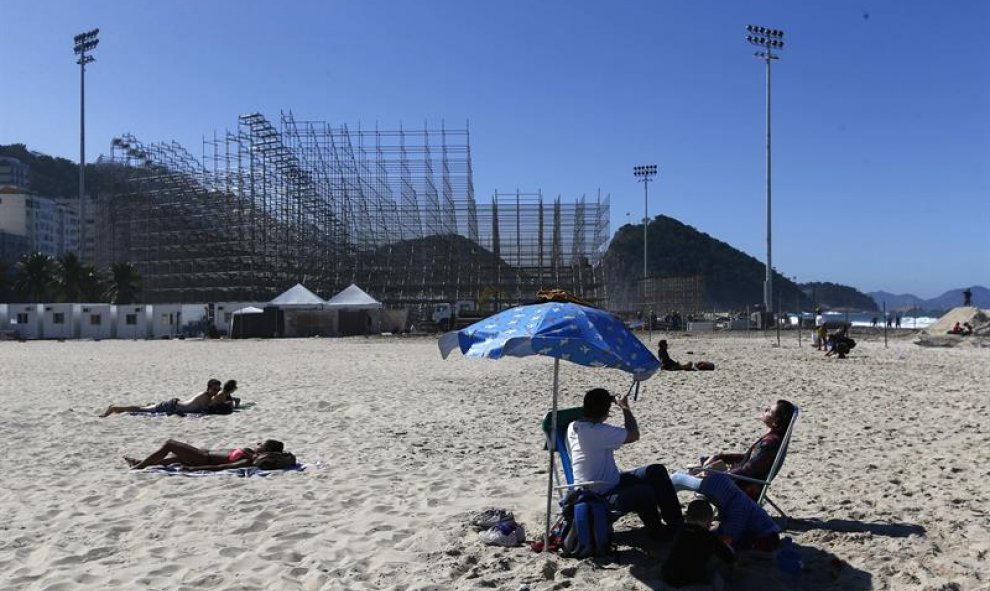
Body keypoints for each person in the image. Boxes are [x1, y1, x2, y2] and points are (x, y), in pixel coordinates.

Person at [567, 388, 683, 540]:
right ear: (605, 412)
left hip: (599, 484)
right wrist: (625, 408)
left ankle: (676, 525)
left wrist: (605, 402)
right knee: (644, 491)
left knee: (655, 471)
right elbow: (634, 434)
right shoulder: (599, 431)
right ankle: (659, 532)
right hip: (602, 494)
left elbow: (590, 410)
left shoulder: (574, 426)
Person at [696, 400, 795, 500]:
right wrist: (719, 457)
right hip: (739, 482)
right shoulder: (771, 438)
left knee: (683, 478)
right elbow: (748, 459)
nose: (765, 409)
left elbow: (747, 471)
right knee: (700, 467)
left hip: (741, 490)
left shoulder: (770, 443)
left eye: (769, 411)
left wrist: (714, 476)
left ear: (775, 422)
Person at [670, 472, 780, 551]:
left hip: (766, 537)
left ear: (719, 497)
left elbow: (729, 537)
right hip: (750, 528)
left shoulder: (737, 510)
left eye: (711, 498)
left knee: (735, 546)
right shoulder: (730, 497)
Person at [661, 499, 736, 588]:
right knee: (716, 570)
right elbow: (729, 557)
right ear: (708, 522)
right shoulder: (708, 536)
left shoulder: (680, 530)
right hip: (689, 581)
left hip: (668, 575)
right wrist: (727, 545)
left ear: (687, 517)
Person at [125, 438, 291, 471]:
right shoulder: (249, 453)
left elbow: (223, 467)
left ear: (265, 450)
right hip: (203, 453)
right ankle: (140, 462)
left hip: (203, 458)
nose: (257, 444)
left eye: (260, 444)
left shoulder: (248, 460)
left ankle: (139, 467)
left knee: (170, 444)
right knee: (170, 459)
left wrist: (193, 470)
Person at [100, 379, 225, 417]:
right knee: (141, 410)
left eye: (218, 389)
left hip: (175, 403)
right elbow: (206, 410)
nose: (216, 391)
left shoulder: (208, 397)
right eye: (214, 389)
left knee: (146, 408)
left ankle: (152, 404)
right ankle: (115, 408)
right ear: (208, 388)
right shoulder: (204, 397)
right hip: (172, 405)